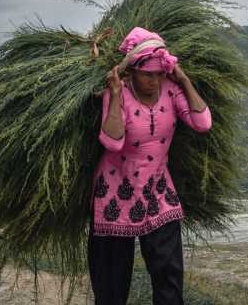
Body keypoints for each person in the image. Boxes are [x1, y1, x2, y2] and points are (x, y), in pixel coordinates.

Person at [88, 26, 211, 305]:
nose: (154, 81)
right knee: (111, 287)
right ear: (131, 72)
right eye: (147, 74)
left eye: (159, 73)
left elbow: (202, 123)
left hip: (158, 193)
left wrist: (183, 78)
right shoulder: (117, 93)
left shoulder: (170, 90)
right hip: (115, 197)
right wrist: (116, 94)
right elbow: (113, 142)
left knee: (169, 278)